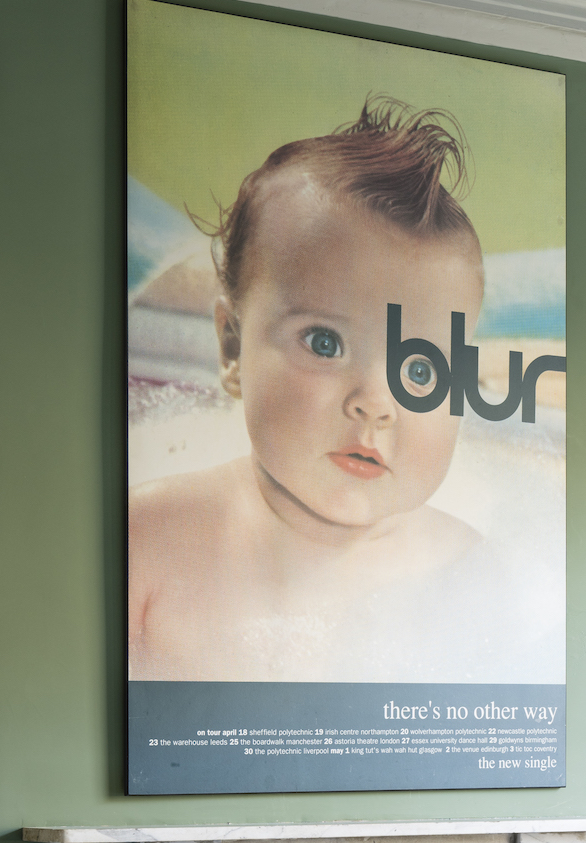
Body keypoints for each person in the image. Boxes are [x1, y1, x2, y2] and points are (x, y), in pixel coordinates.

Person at [129, 100, 488, 682]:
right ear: (231, 348)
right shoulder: (150, 539)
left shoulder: (475, 575)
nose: (375, 401)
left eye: (421, 371)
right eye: (325, 343)